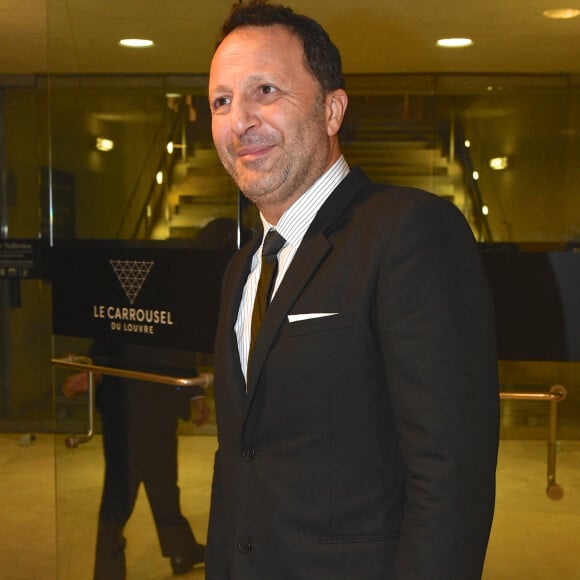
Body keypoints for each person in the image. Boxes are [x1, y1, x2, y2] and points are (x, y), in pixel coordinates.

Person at [205, 1, 500, 579]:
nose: (238, 120)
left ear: (332, 109)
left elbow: (449, 474)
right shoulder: (243, 266)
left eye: (265, 90)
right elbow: (243, 458)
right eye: (221, 101)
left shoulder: (408, 231)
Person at [62, 343, 209, 579]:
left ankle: (180, 549)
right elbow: (110, 332)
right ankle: (109, 571)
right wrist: (94, 371)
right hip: (127, 401)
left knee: (162, 482)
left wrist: (193, 392)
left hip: (156, 396)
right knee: (121, 490)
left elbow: (177, 341)